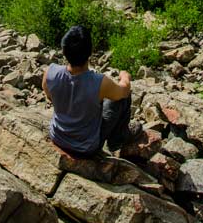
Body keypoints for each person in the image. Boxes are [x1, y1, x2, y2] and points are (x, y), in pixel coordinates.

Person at [42, 25, 140, 157]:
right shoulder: (100, 82)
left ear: (63, 50)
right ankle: (117, 141)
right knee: (122, 98)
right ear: (90, 52)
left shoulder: (50, 72)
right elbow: (124, 91)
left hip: (58, 137)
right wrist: (125, 77)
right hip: (86, 147)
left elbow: (50, 97)